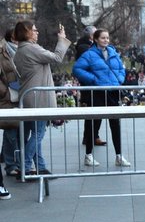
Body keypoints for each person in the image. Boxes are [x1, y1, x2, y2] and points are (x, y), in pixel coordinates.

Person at [13, 20, 70, 175]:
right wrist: (62, 39)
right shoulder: (31, 48)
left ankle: (40, 167)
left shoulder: (22, 50)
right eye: (34, 30)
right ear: (26, 32)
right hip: (38, 98)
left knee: (35, 134)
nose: (37, 32)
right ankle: (25, 166)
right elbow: (57, 57)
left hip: (30, 97)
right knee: (38, 134)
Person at [73, 28, 131, 167]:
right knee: (94, 123)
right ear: (96, 39)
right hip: (98, 92)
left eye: (107, 38)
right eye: (103, 38)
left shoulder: (113, 53)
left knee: (115, 124)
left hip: (112, 91)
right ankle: (88, 155)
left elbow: (121, 68)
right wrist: (93, 79)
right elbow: (77, 69)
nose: (106, 40)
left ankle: (118, 156)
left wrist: (120, 79)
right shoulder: (89, 54)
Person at [74, 25, 105, 146]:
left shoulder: (88, 47)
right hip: (90, 84)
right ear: (92, 36)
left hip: (93, 83)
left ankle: (92, 136)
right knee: (93, 112)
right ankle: (90, 137)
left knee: (97, 111)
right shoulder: (84, 47)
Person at [0, 29, 20, 178]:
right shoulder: (3, 51)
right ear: (13, 38)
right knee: (11, 131)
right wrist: (4, 91)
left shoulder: (23, 50)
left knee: (19, 132)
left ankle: (18, 163)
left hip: (21, 94)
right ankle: (11, 165)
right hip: (8, 96)